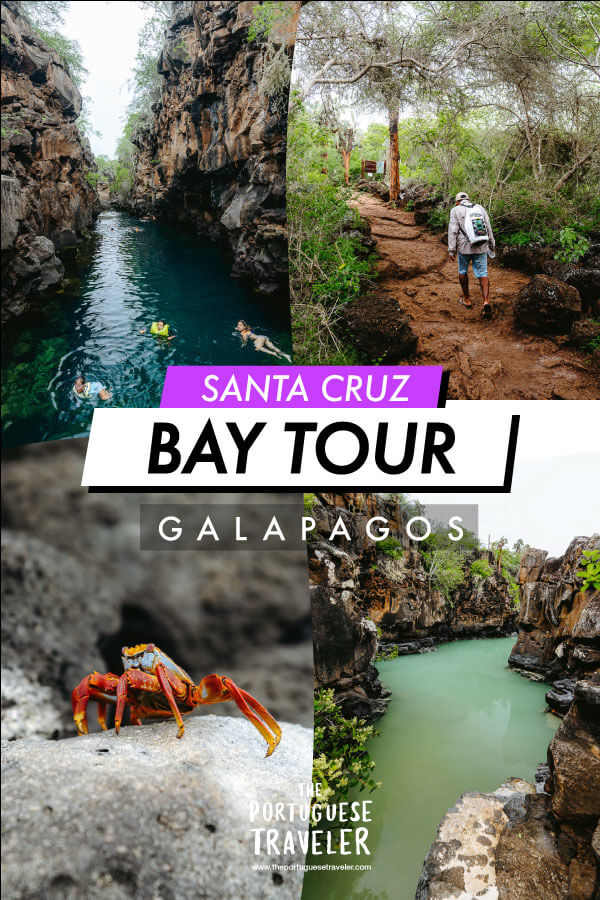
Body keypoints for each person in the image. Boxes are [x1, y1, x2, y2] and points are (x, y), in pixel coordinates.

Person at [448, 191, 496, 318]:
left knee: (463, 270)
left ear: (457, 202)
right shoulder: (479, 208)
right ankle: (486, 301)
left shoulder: (455, 210)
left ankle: (467, 299)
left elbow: (453, 231)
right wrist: (492, 245)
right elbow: (488, 228)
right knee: (483, 273)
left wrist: (451, 250)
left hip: (464, 247)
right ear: (469, 199)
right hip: (481, 245)